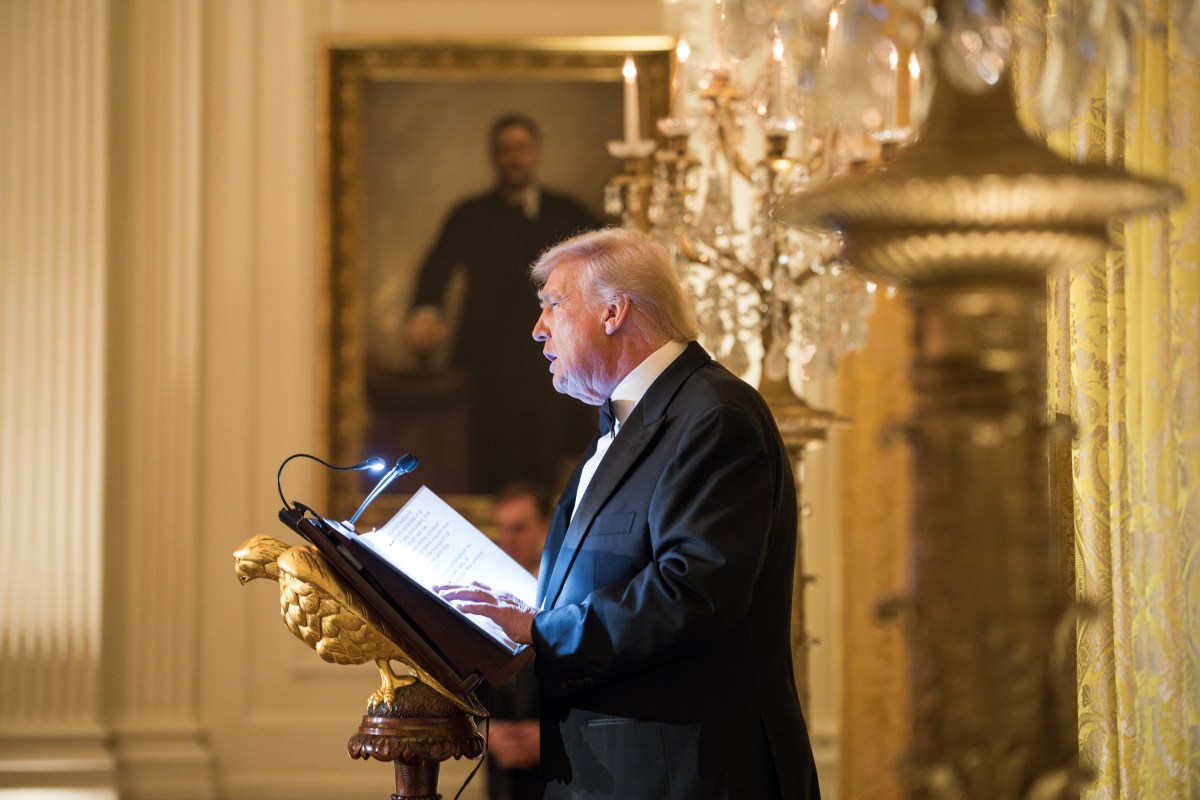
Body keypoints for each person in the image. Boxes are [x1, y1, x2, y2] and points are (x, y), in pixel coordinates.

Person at [441, 228, 820, 799]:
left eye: (552, 306)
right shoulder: (619, 426)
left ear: (614, 310)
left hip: (688, 777)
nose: (537, 329)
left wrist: (541, 629)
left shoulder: (714, 414)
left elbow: (692, 594)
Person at [404, 114, 600, 493]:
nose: (514, 158)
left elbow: (604, 261)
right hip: (488, 366)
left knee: (550, 459)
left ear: (534, 153)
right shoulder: (471, 214)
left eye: (521, 149)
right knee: (491, 461)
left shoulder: (567, 211)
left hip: (553, 358)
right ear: (496, 157)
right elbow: (438, 265)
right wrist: (427, 308)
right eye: (506, 150)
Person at [484, 482, 551, 800]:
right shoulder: (488, 594)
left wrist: (553, 738)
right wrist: (487, 734)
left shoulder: (570, 592)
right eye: (504, 529)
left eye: (520, 528)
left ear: (547, 525)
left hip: (558, 771)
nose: (509, 539)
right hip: (501, 775)